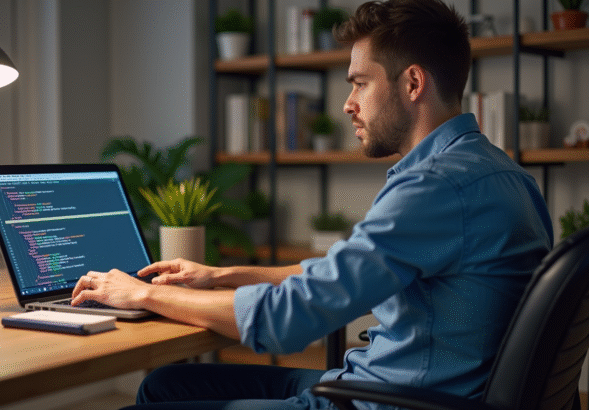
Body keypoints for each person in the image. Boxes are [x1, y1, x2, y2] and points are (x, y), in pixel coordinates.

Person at [73, 1, 553, 409]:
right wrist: (221, 276)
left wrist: (142, 295)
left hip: (385, 400)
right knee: (164, 386)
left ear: (412, 83)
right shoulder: (503, 174)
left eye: (359, 83)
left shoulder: (435, 186)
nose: (348, 103)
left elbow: (288, 320)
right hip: (393, 386)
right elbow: (338, 275)